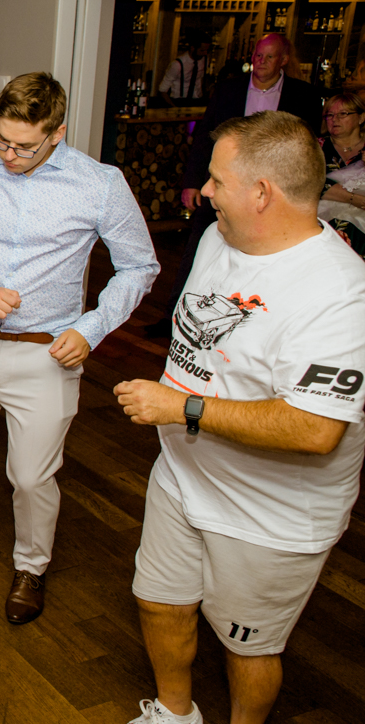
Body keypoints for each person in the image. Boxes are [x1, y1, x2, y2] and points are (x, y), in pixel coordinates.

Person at [114, 111, 365, 724]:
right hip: (184, 476)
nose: (205, 191)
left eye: (216, 180)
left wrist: (182, 407)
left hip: (269, 514)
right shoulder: (217, 239)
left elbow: (315, 429)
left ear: (262, 193)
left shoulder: (340, 293)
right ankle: (174, 713)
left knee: (246, 644)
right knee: (159, 601)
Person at [0, 72, 158, 624]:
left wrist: (92, 328)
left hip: (47, 351)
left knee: (31, 476)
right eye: (1, 139)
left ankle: (31, 567)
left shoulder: (99, 183)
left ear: (57, 133)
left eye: (23, 146)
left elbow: (139, 265)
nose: (7, 154)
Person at [148, 34, 322, 340]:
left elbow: (306, 149)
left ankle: (243, 327)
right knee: (198, 248)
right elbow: (204, 137)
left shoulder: (303, 94)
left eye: (269, 57)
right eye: (257, 55)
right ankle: (174, 316)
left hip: (267, 195)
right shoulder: (229, 89)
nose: (260, 62)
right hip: (221, 185)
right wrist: (192, 183)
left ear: (283, 60)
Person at [316, 89, 365, 257]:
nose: (334, 119)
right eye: (329, 115)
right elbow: (306, 183)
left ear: (361, 117)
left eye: (343, 114)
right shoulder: (314, 147)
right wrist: (355, 199)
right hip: (323, 227)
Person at [156, 39, 210, 104]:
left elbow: (202, 78)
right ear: (192, 48)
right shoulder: (177, 64)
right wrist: (173, 107)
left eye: (207, 50)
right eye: (202, 50)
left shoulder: (204, 60)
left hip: (197, 99)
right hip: (179, 101)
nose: (205, 53)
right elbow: (162, 90)